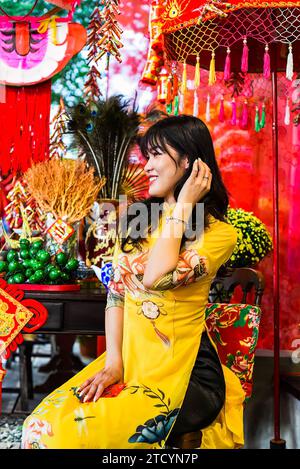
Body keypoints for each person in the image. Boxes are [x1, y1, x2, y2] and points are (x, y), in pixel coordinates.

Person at [22, 115, 245, 449]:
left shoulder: (218, 234)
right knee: (38, 426)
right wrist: (114, 363)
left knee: (67, 437)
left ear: (188, 161)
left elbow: (156, 276)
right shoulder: (138, 223)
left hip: (185, 378)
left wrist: (184, 206)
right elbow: (117, 293)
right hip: (129, 363)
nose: (147, 166)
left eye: (156, 155)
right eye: (147, 156)